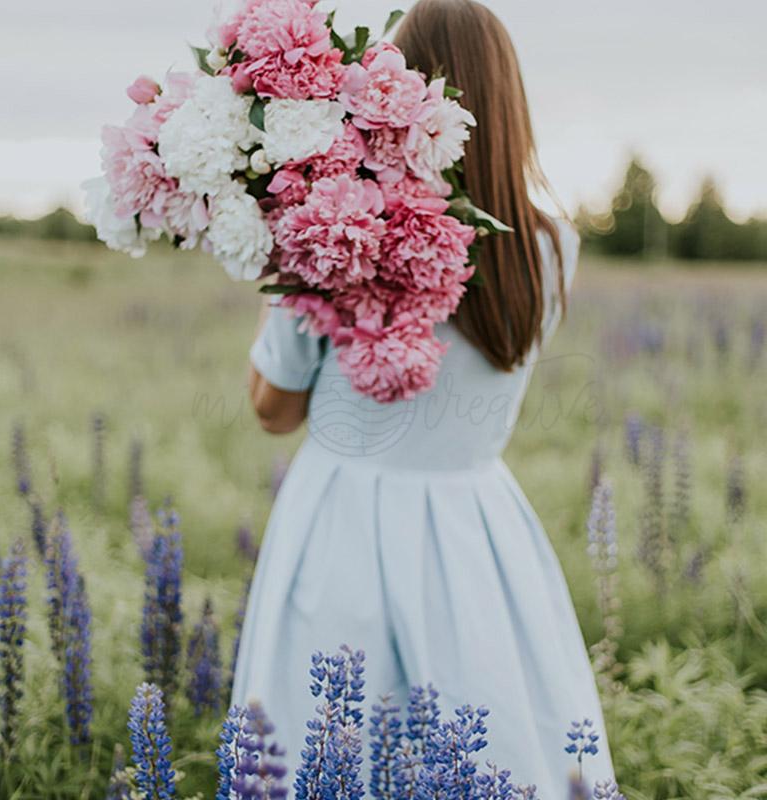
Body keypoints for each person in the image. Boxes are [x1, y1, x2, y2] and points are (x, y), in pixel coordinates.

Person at [232, 0, 617, 794]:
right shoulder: (551, 247)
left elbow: (273, 409)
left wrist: (279, 251)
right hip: (477, 526)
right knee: (493, 745)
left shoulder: (336, 225)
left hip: (342, 517)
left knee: (325, 755)